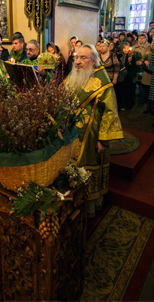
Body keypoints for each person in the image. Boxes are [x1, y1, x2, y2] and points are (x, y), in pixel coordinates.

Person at [65, 44, 124, 218]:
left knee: (87, 167)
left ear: (93, 60)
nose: (78, 62)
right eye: (76, 57)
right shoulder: (73, 76)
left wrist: (103, 140)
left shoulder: (102, 81)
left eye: (83, 58)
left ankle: (89, 205)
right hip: (71, 132)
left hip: (91, 134)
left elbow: (110, 112)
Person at [132, 33, 151, 108]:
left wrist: (142, 61)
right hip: (135, 68)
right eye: (140, 38)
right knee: (136, 84)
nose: (141, 40)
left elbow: (148, 56)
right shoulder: (134, 47)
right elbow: (131, 55)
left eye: (143, 38)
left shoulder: (148, 47)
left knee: (142, 85)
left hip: (143, 68)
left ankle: (142, 101)